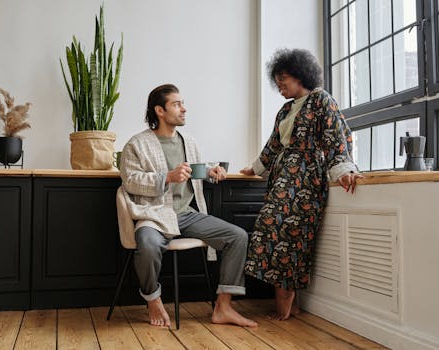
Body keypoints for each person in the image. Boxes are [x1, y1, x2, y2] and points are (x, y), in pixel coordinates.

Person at [120, 84, 257, 328]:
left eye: (182, 103)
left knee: (237, 236)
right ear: (160, 111)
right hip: (155, 215)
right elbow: (130, 181)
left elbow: (194, 169)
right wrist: (167, 177)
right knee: (148, 244)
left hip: (187, 215)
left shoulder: (188, 142)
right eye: (177, 104)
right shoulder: (137, 144)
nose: (184, 109)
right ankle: (152, 299)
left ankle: (223, 307)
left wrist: (211, 170)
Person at [241, 48, 362, 320]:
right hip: (282, 177)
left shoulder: (321, 100)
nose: (280, 84)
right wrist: (254, 168)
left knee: (288, 236)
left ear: (300, 75)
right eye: (277, 79)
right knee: (271, 233)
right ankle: (288, 305)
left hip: (306, 178)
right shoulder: (285, 110)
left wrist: (343, 169)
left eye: (284, 78)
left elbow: (335, 136)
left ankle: (285, 306)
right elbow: (272, 146)